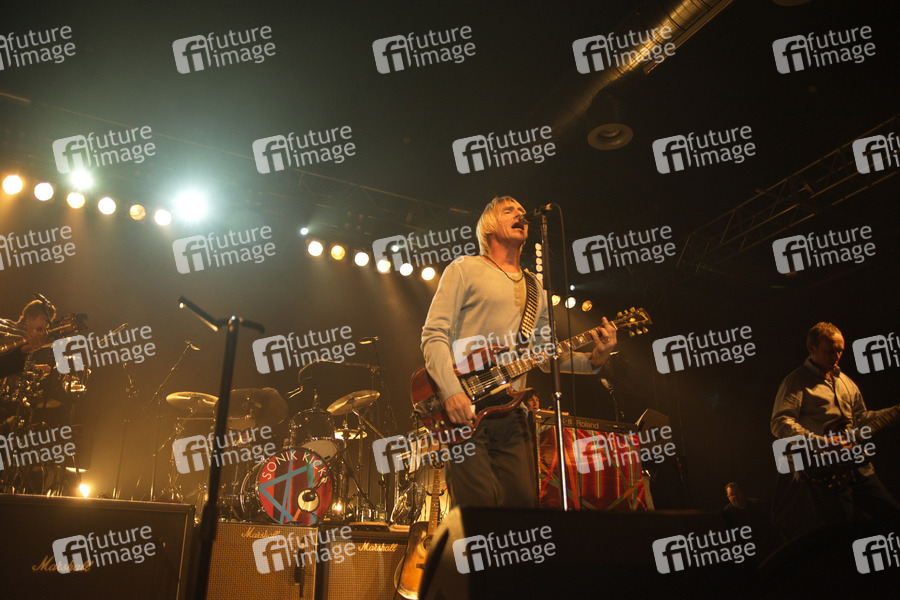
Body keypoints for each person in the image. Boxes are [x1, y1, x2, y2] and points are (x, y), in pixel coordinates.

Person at [421, 196, 617, 508]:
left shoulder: (535, 287)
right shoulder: (464, 268)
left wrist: (594, 360)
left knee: (523, 505)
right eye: (509, 210)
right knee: (476, 507)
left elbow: (545, 356)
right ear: (488, 227)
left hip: (512, 412)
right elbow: (434, 334)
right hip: (464, 409)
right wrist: (450, 391)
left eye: (522, 212)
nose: (521, 215)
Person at [770, 322, 900, 540]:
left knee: (892, 517)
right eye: (830, 351)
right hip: (826, 473)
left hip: (858, 467)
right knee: (843, 534)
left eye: (840, 350)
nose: (837, 356)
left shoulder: (846, 382)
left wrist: (895, 411)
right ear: (811, 348)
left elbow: (860, 419)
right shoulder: (796, 381)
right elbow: (780, 423)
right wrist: (823, 443)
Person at [0, 300, 53, 379]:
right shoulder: (6, 327)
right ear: (29, 317)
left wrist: (34, 368)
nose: (45, 324)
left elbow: (6, 366)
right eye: (43, 319)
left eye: (48, 322)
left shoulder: (30, 341)